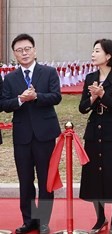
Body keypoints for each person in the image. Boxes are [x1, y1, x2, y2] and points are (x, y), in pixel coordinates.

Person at [1, 34, 62, 234]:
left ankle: (43, 221)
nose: (24, 53)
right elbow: (4, 104)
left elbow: (56, 97)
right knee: (25, 180)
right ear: (14, 54)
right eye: (19, 50)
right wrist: (19, 99)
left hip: (45, 135)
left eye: (27, 49)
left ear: (34, 50)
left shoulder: (49, 72)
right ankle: (29, 220)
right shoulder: (10, 78)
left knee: (46, 180)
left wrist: (36, 97)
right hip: (22, 136)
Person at [78, 39, 112, 234]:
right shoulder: (90, 77)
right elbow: (82, 108)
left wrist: (102, 95)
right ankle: (100, 218)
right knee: (94, 174)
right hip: (94, 130)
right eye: (92, 50)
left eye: (97, 51)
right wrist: (92, 97)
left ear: (108, 56)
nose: (93, 54)